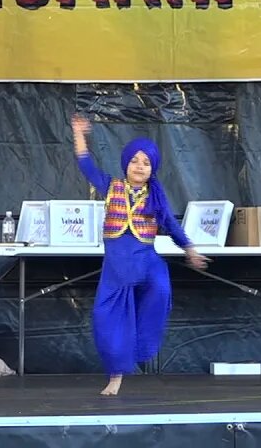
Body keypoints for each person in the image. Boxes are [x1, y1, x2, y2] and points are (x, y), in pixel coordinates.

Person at [71, 115, 209, 396]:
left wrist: (190, 249)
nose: (140, 166)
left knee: (159, 291)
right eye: (135, 160)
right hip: (117, 271)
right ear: (126, 163)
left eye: (146, 163)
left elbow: (170, 225)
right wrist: (79, 133)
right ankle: (116, 375)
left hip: (147, 263)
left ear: (152, 169)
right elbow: (85, 164)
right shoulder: (110, 186)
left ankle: (141, 347)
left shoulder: (156, 198)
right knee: (105, 320)